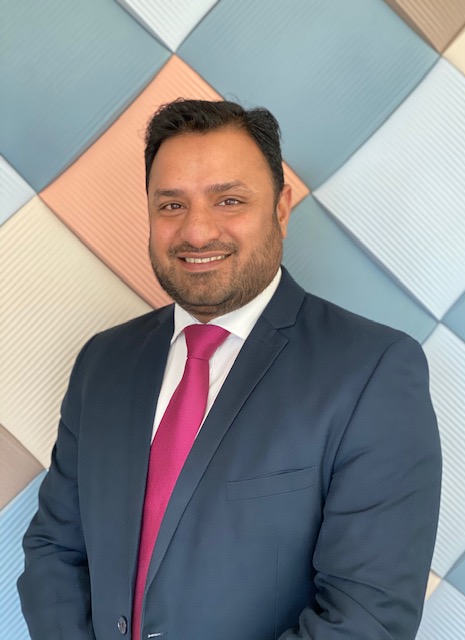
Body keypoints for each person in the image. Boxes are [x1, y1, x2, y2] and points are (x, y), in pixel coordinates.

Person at [18, 99, 442, 640]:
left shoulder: (373, 372)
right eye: (172, 205)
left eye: (229, 200)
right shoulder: (103, 362)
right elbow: (55, 551)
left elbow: (366, 618)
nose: (197, 232)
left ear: (281, 208)